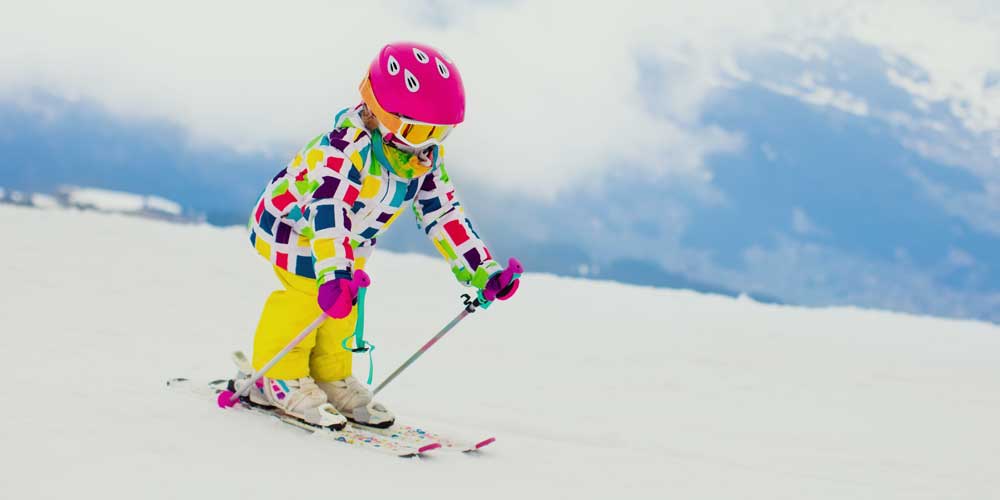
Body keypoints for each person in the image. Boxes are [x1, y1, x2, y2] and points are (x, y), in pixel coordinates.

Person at [244, 42, 521, 429]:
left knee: (343, 307)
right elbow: (330, 213)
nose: (426, 144)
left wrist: (482, 270)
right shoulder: (343, 152)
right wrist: (334, 273)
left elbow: (444, 214)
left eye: (439, 133)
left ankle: (330, 374)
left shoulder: (420, 160)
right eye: (418, 130)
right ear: (380, 112)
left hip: (346, 245)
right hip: (293, 229)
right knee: (308, 296)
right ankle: (277, 376)